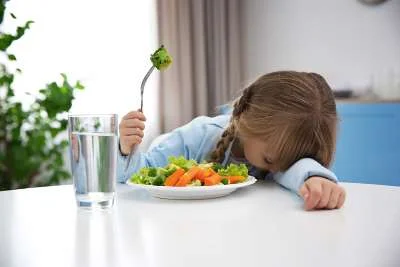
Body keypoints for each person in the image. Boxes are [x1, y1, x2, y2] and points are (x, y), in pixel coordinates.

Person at [117, 71, 346, 210]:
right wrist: (125, 149)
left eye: (286, 163)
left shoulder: (278, 160)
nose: (276, 168)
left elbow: (293, 171)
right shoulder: (200, 136)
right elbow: (138, 174)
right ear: (248, 123)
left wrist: (314, 177)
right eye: (269, 159)